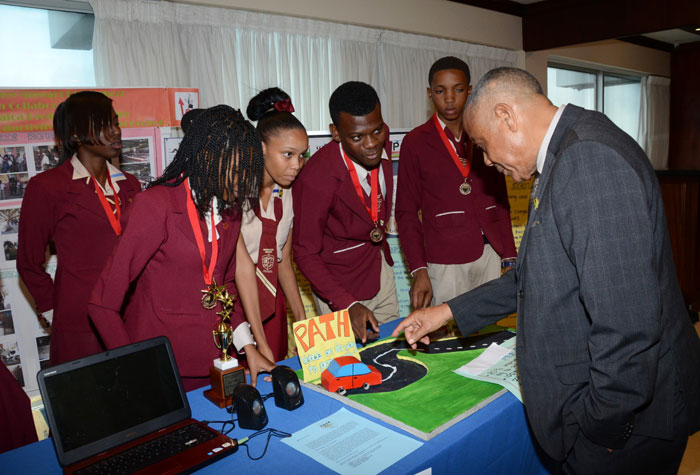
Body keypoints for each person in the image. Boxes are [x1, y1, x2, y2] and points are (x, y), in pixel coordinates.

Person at [393, 67, 700, 474]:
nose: (486, 160)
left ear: (506, 116)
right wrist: (446, 313)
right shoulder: (566, 150)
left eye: (484, 145)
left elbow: (627, 327)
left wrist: (602, 430)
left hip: (628, 425)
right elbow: (535, 274)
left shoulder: (589, 162)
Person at [88, 105, 276, 391]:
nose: (243, 182)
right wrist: (134, 366)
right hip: (161, 366)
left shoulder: (229, 209)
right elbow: (102, 303)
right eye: (237, 171)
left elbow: (223, 283)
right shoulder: (155, 206)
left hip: (217, 361)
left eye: (248, 172)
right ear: (206, 158)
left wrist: (247, 347)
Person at [17, 91, 141, 365]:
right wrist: (53, 310)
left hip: (130, 315)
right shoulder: (48, 187)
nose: (116, 132)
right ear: (76, 135)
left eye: (116, 123)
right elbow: (28, 262)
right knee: (89, 404)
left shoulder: (130, 184)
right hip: (80, 322)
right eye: (105, 125)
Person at [396, 56, 517, 309]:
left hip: (490, 254)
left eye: (458, 90)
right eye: (441, 91)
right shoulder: (415, 142)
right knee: (449, 339)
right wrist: (419, 270)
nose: (450, 98)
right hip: (445, 260)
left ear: (470, 90)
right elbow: (406, 212)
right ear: (430, 94)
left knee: (492, 335)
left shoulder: (486, 132)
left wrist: (509, 256)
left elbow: (500, 200)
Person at [293, 81, 399, 343]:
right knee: (345, 374)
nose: (372, 143)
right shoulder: (317, 178)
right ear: (336, 133)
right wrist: (347, 305)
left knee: (392, 357)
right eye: (357, 137)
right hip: (338, 287)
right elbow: (305, 252)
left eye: (377, 130)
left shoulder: (379, 145)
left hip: (379, 271)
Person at [241, 88, 308, 362]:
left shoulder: (288, 193)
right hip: (239, 307)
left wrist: (302, 324)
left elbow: (283, 262)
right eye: (288, 154)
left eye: (302, 155)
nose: (297, 165)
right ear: (262, 149)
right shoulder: (236, 193)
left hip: (273, 304)